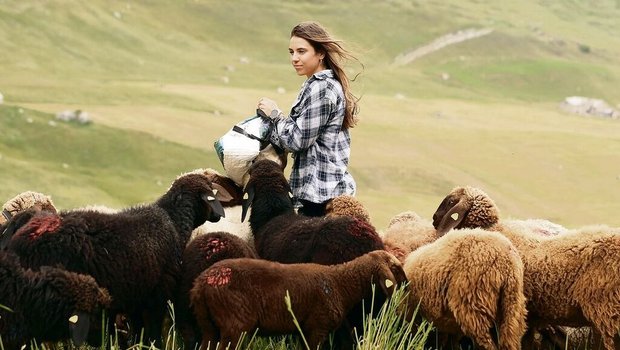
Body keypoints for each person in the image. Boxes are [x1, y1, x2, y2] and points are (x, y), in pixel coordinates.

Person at [257, 21, 360, 217]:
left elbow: (297, 140)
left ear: (320, 53)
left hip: (321, 196)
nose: (294, 58)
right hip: (317, 192)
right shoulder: (315, 85)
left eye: (301, 51)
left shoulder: (322, 88)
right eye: (291, 52)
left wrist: (274, 114)